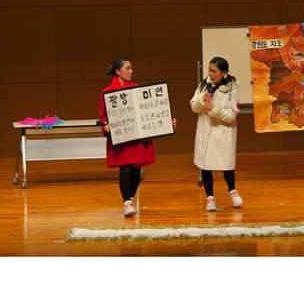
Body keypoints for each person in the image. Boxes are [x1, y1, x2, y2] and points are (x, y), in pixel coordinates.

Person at [99, 57, 176, 217]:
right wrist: (105, 126)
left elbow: (150, 111)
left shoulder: (137, 89)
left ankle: (131, 198)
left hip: (136, 137)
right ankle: (126, 202)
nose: (131, 71)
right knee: (125, 169)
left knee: (135, 171)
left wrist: (166, 122)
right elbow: (103, 115)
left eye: (131, 68)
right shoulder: (107, 92)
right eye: (127, 68)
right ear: (118, 71)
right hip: (121, 137)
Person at [190, 56, 243, 211]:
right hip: (206, 131)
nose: (211, 74)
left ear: (224, 73)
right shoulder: (204, 85)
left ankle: (232, 191)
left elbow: (232, 115)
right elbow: (193, 107)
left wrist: (215, 109)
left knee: (227, 165)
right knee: (206, 166)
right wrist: (201, 100)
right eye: (210, 70)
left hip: (223, 131)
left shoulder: (232, 88)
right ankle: (210, 198)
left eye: (214, 71)